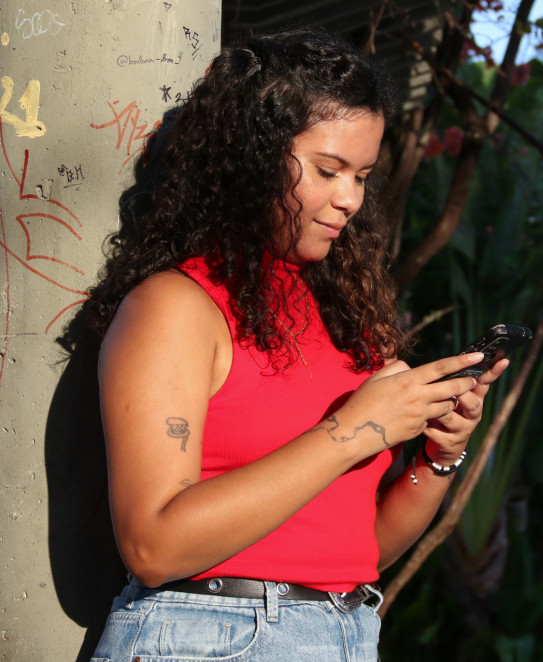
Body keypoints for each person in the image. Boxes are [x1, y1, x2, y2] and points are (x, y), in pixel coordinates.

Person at [84, 27, 506, 661]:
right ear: (252, 157)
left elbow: (356, 552)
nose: (349, 199)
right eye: (328, 169)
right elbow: (154, 546)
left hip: (345, 631)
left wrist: (440, 454)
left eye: (362, 175)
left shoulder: (344, 319)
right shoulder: (174, 307)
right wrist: (358, 430)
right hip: (210, 637)